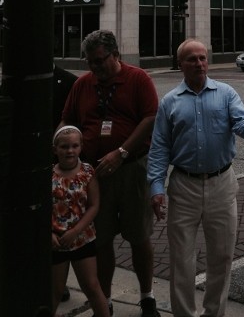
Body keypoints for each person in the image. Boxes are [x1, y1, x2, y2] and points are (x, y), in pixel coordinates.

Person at [147, 38, 244, 317]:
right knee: (181, 260)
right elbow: (159, 148)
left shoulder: (226, 93)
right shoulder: (169, 102)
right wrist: (156, 187)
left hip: (221, 184)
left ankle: (214, 313)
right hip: (184, 186)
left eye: (203, 58)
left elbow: (241, 122)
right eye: (192, 59)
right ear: (181, 65)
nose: (200, 63)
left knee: (222, 256)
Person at [59, 30, 161, 317]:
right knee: (100, 240)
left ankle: (147, 296)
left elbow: (151, 117)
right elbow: (68, 118)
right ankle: (105, 300)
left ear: (116, 55)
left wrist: (122, 152)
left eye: (100, 61)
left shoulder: (138, 78)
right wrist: (67, 142)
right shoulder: (83, 84)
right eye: (90, 62)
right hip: (95, 174)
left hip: (132, 169)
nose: (95, 68)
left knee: (139, 235)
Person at [52, 125, 110, 317]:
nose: (70, 151)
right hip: (57, 242)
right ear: (55, 149)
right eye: (64, 147)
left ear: (81, 147)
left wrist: (76, 231)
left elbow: (94, 205)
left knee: (92, 286)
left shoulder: (87, 172)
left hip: (82, 239)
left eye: (74, 146)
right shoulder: (49, 175)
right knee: (54, 291)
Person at [52, 63, 78, 303]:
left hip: (62, 164)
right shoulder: (13, 76)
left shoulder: (69, 81)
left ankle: (60, 283)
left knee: (63, 223)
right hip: (26, 163)